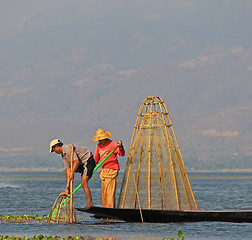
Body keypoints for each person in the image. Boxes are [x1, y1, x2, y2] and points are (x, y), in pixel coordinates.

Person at [49, 139, 95, 208]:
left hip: (88, 161)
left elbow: (76, 162)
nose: (55, 152)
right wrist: (67, 186)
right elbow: (68, 169)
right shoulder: (63, 155)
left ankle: (90, 204)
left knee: (83, 183)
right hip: (81, 164)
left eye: (54, 150)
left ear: (57, 147)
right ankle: (68, 192)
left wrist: (72, 174)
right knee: (70, 172)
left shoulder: (68, 148)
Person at [93, 128, 125, 208]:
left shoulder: (113, 144)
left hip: (112, 170)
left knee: (110, 192)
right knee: (104, 192)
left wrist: (120, 147)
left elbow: (121, 154)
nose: (100, 141)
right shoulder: (98, 146)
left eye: (101, 139)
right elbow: (96, 159)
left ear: (105, 138)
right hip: (104, 171)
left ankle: (110, 208)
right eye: (98, 140)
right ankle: (105, 208)